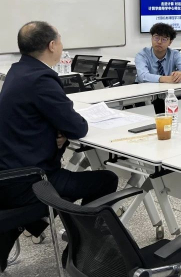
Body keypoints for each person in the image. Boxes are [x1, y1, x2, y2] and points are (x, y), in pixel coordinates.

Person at [0, 22, 118, 270]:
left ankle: (35, 224)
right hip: (31, 180)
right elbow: (78, 127)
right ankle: (82, 247)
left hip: (9, 172)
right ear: (52, 45)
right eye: (61, 41)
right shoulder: (41, 79)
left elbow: (37, 118)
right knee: (106, 179)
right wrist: (62, 129)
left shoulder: (17, 71)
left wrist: (57, 130)